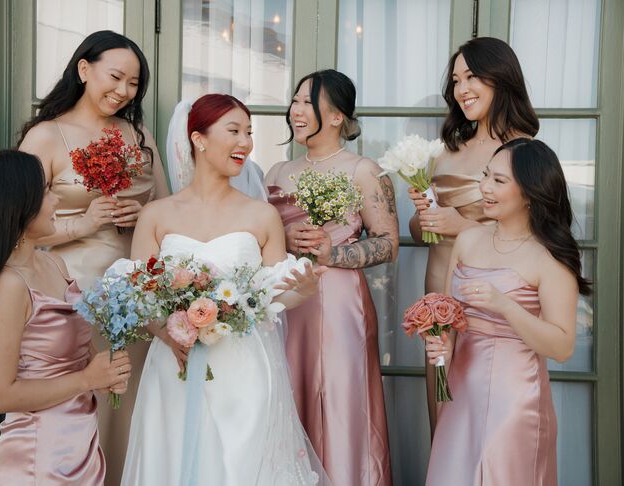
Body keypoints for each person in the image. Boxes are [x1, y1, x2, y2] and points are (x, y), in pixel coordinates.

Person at [121, 94, 331, 485]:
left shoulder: (262, 216)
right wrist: (166, 332)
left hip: (242, 368)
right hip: (174, 365)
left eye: (249, 133)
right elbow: (138, 297)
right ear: (198, 139)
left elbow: (274, 297)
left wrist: (301, 290)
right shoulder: (156, 215)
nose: (245, 143)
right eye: (233, 131)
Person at [18, 30, 168, 482]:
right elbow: (13, 226)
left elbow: (168, 208)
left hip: (133, 297)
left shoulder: (137, 135)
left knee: (130, 403)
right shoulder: (45, 136)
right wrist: (82, 223)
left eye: (133, 84)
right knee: (82, 407)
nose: (123, 92)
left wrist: (140, 213)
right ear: (84, 69)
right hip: (69, 295)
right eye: (115, 77)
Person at [0, 150, 131, 484]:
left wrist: (107, 369)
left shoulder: (53, 263)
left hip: (79, 444)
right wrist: (87, 380)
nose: (55, 200)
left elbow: (73, 351)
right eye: (45, 191)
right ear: (18, 206)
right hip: (39, 458)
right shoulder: (10, 286)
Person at [424, 138, 590, 485]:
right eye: (486, 176)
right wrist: (443, 345)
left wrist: (505, 305)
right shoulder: (469, 240)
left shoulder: (550, 257)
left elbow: (562, 347)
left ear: (530, 193)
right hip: (459, 391)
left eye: (499, 181)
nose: (484, 187)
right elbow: (450, 316)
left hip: (515, 400)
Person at [265, 69, 397, 485]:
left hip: (341, 304)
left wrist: (333, 252)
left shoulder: (363, 170)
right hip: (287, 302)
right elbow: (261, 241)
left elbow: (388, 243)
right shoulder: (277, 171)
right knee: (287, 397)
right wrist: (283, 237)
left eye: (307, 102)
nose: (296, 110)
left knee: (341, 403)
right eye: (295, 100)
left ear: (337, 116)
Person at [407, 37, 539, 434]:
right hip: (439, 296)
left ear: (501, 78)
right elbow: (420, 233)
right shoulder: (445, 151)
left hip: (492, 302)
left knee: (488, 421)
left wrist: (460, 226)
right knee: (445, 416)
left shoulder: (526, 152)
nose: (461, 89)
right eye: (456, 80)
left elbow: (534, 240)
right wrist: (424, 219)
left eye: (472, 77)